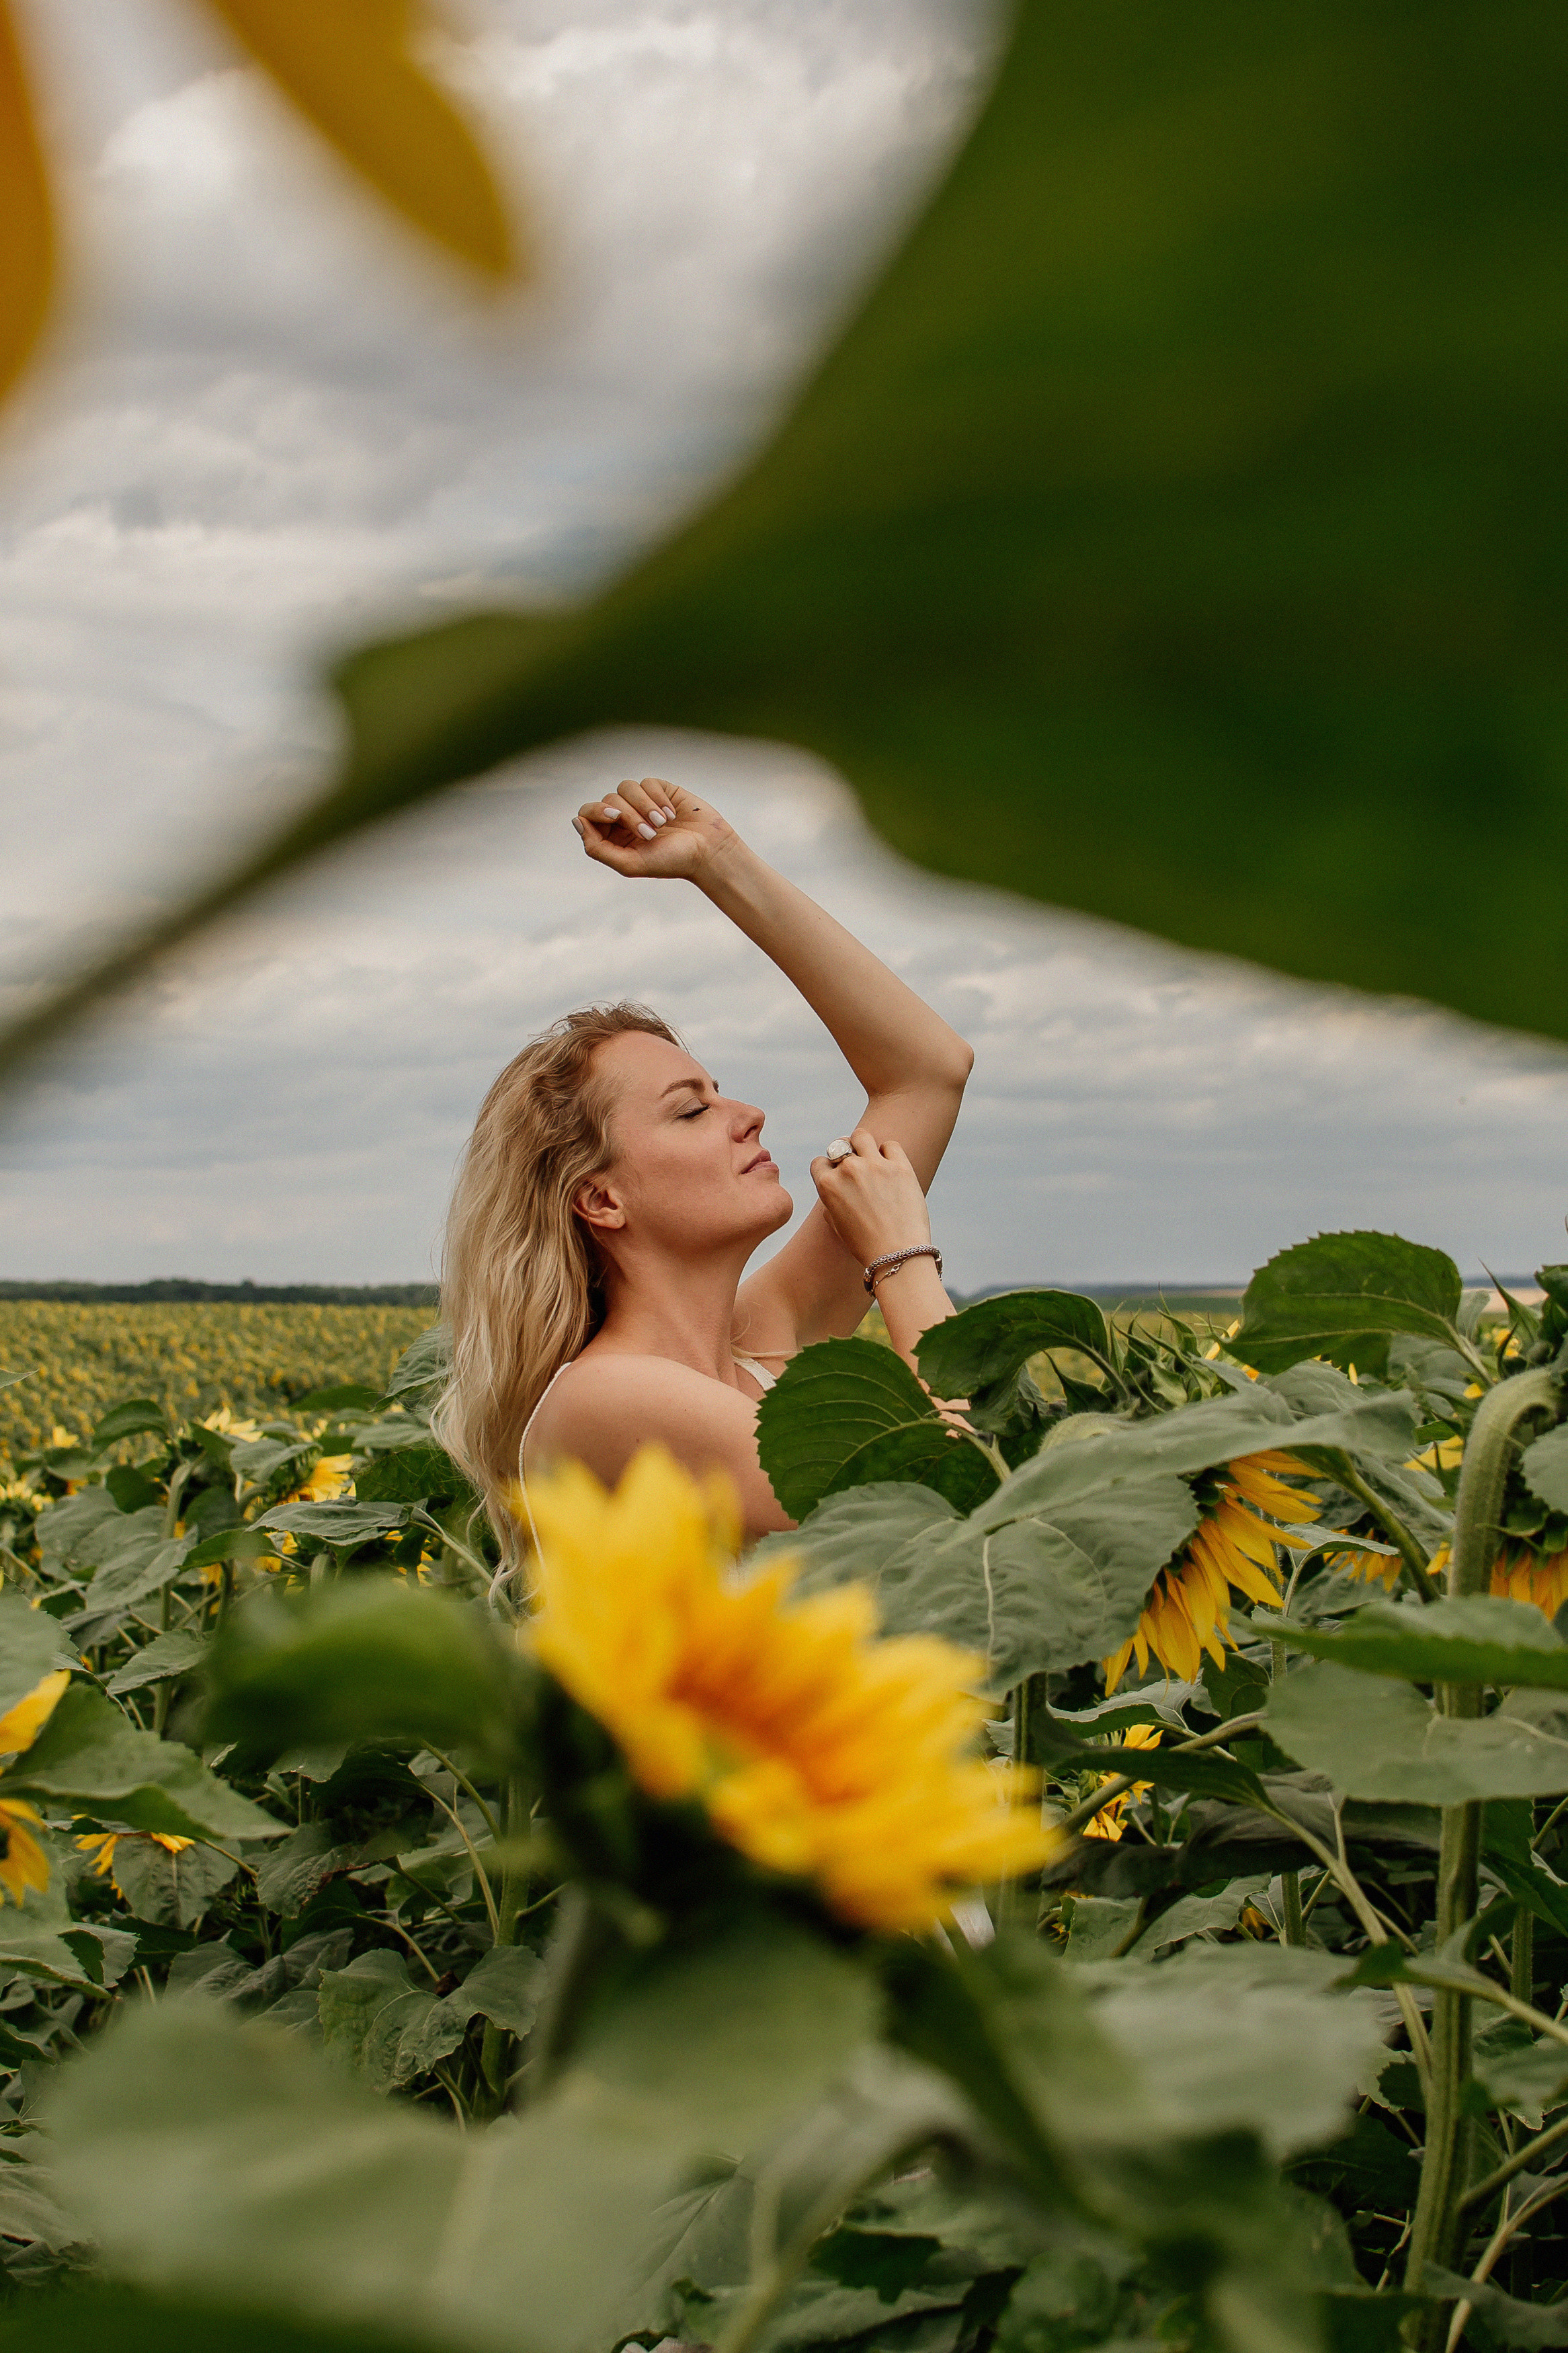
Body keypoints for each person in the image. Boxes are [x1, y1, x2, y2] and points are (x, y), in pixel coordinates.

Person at [436, 776, 973, 1560]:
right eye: (691, 1109)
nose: (747, 1113)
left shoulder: (764, 1344)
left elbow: (927, 1071)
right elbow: (958, 1487)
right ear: (600, 1197)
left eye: (717, 1091)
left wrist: (718, 860)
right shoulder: (608, 1395)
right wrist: (900, 1258)